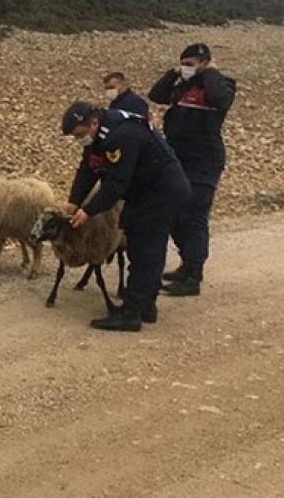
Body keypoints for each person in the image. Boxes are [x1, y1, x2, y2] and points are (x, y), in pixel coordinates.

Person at [61, 101, 191, 332]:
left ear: (92, 121)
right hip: (146, 191)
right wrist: (74, 201)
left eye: (79, 134)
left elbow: (116, 182)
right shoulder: (101, 134)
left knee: (144, 248)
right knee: (145, 245)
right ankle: (146, 306)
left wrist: (89, 211)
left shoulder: (122, 135)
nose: (78, 140)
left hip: (161, 191)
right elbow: (89, 168)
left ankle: (131, 313)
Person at [148, 43, 236, 296]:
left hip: (204, 162)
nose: (187, 69)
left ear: (205, 62)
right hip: (178, 159)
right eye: (183, 64)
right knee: (174, 213)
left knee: (194, 216)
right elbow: (156, 95)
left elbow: (222, 99)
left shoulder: (219, 84)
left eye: (191, 64)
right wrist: (174, 73)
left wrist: (210, 73)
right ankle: (187, 263)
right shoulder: (182, 87)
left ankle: (193, 275)